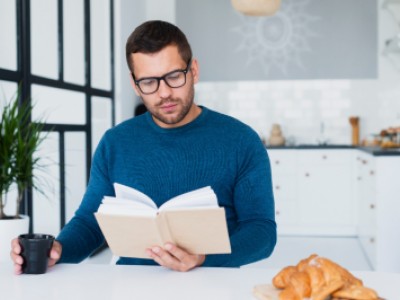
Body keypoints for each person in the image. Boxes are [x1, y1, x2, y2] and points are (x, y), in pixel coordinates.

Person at [11, 20, 276, 273]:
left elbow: (261, 230)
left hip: (214, 285)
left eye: (174, 76)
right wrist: (58, 250)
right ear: (134, 84)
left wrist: (204, 259)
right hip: (130, 287)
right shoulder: (115, 143)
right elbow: (91, 223)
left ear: (193, 70)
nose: (164, 93)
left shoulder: (241, 141)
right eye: (149, 82)